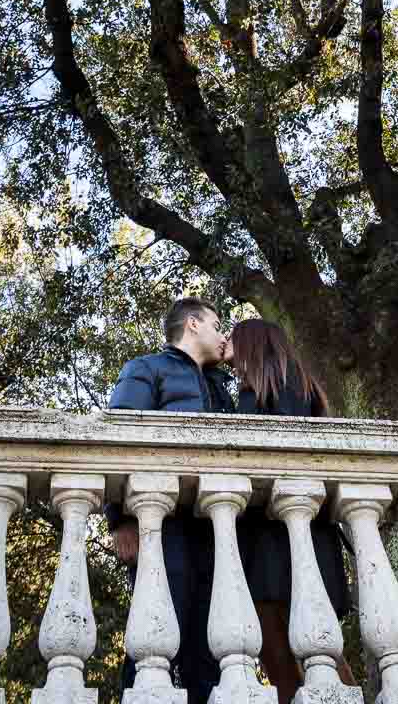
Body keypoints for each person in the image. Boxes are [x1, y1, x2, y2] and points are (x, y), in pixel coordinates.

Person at [105, 297, 233, 704]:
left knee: (213, 648)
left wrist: (234, 365)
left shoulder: (219, 386)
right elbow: (119, 443)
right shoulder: (146, 368)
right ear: (193, 324)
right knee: (155, 636)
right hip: (160, 527)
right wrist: (120, 520)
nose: (223, 334)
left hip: (217, 529)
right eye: (217, 324)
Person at [224, 319, 356, 704]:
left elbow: (256, 451)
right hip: (294, 540)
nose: (225, 342)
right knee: (301, 658)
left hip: (282, 541)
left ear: (251, 341)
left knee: (305, 660)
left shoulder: (278, 383)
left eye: (231, 335)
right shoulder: (293, 382)